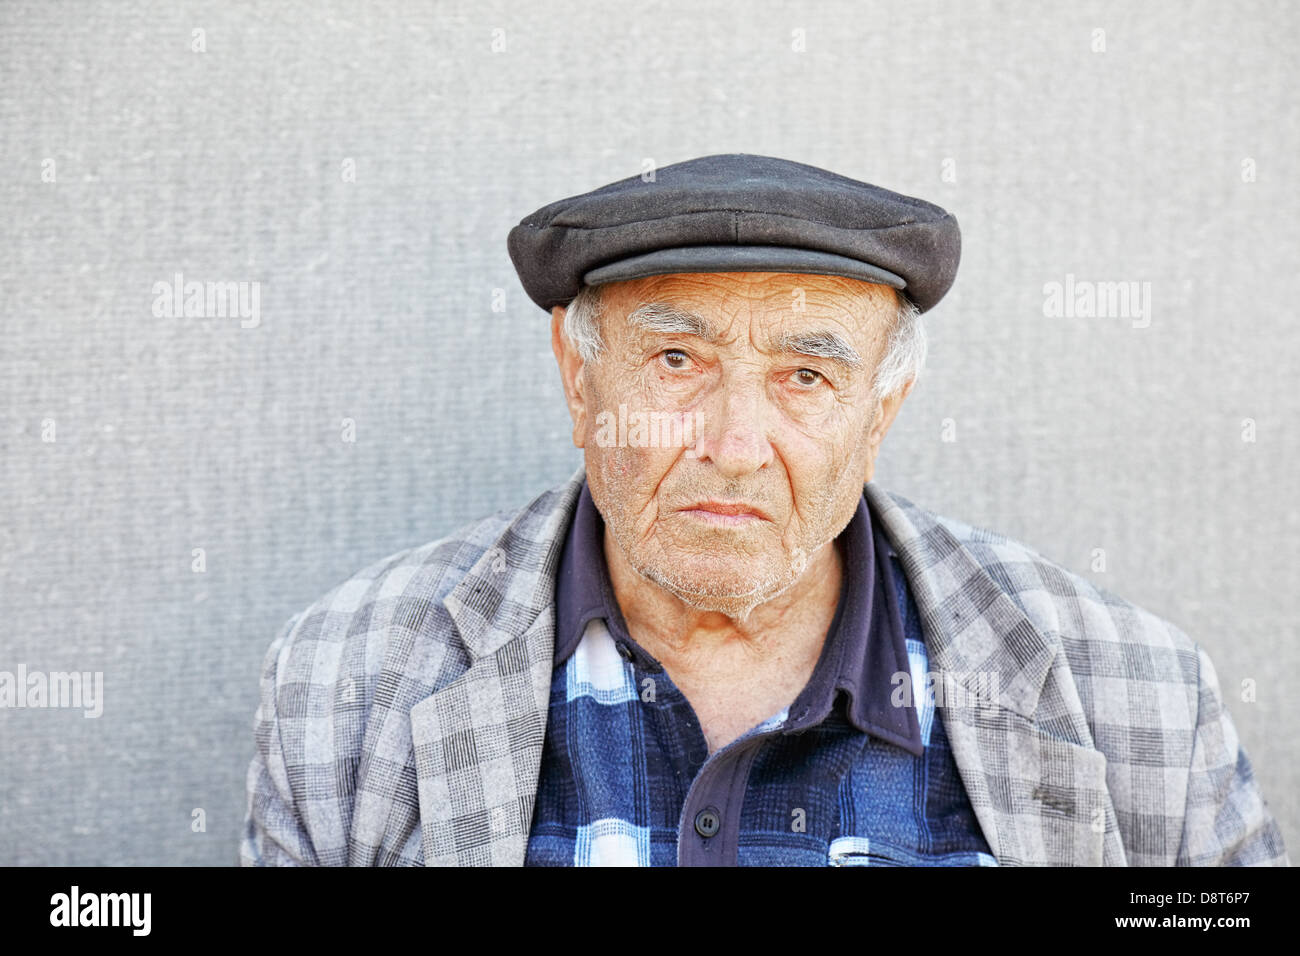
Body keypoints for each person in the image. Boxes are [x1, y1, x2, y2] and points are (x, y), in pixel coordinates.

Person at [241, 153, 1288, 866]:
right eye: (675, 360)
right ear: (577, 376)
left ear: (882, 409)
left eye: (805, 377)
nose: (733, 446)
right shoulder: (346, 681)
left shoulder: (1138, 694)